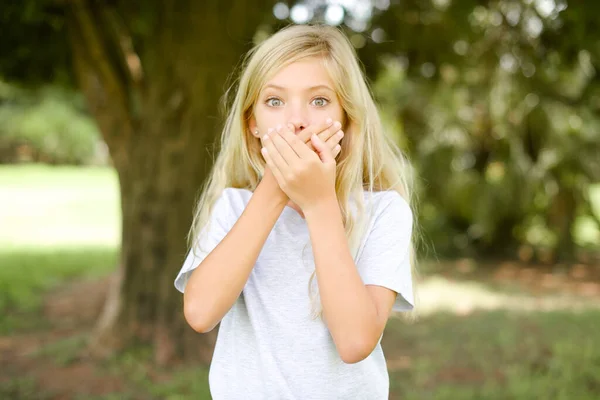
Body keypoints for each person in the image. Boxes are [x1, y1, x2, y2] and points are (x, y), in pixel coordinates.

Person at [174, 23, 417, 399]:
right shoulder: (236, 206)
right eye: (275, 101)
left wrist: (319, 204)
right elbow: (201, 313)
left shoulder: (384, 211)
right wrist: (274, 190)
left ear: (347, 117)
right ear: (252, 123)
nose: (296, 120)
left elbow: (355, 342)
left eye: (319, 100)